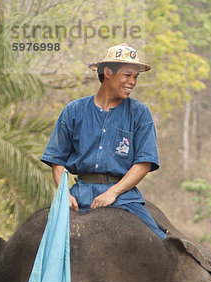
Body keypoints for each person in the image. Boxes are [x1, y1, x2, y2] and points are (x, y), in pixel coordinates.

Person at [41, 43, 166, 240]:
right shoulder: (73, 111)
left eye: (135, 77)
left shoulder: (140, 114)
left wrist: (113, 193)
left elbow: (144, 163)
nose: (132, 82)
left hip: (124, 198)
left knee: (161, 243)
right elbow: (57, 159)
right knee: (44, 244)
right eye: (127, 75)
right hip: (79, 195)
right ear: (108, 72)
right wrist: (64, 194)